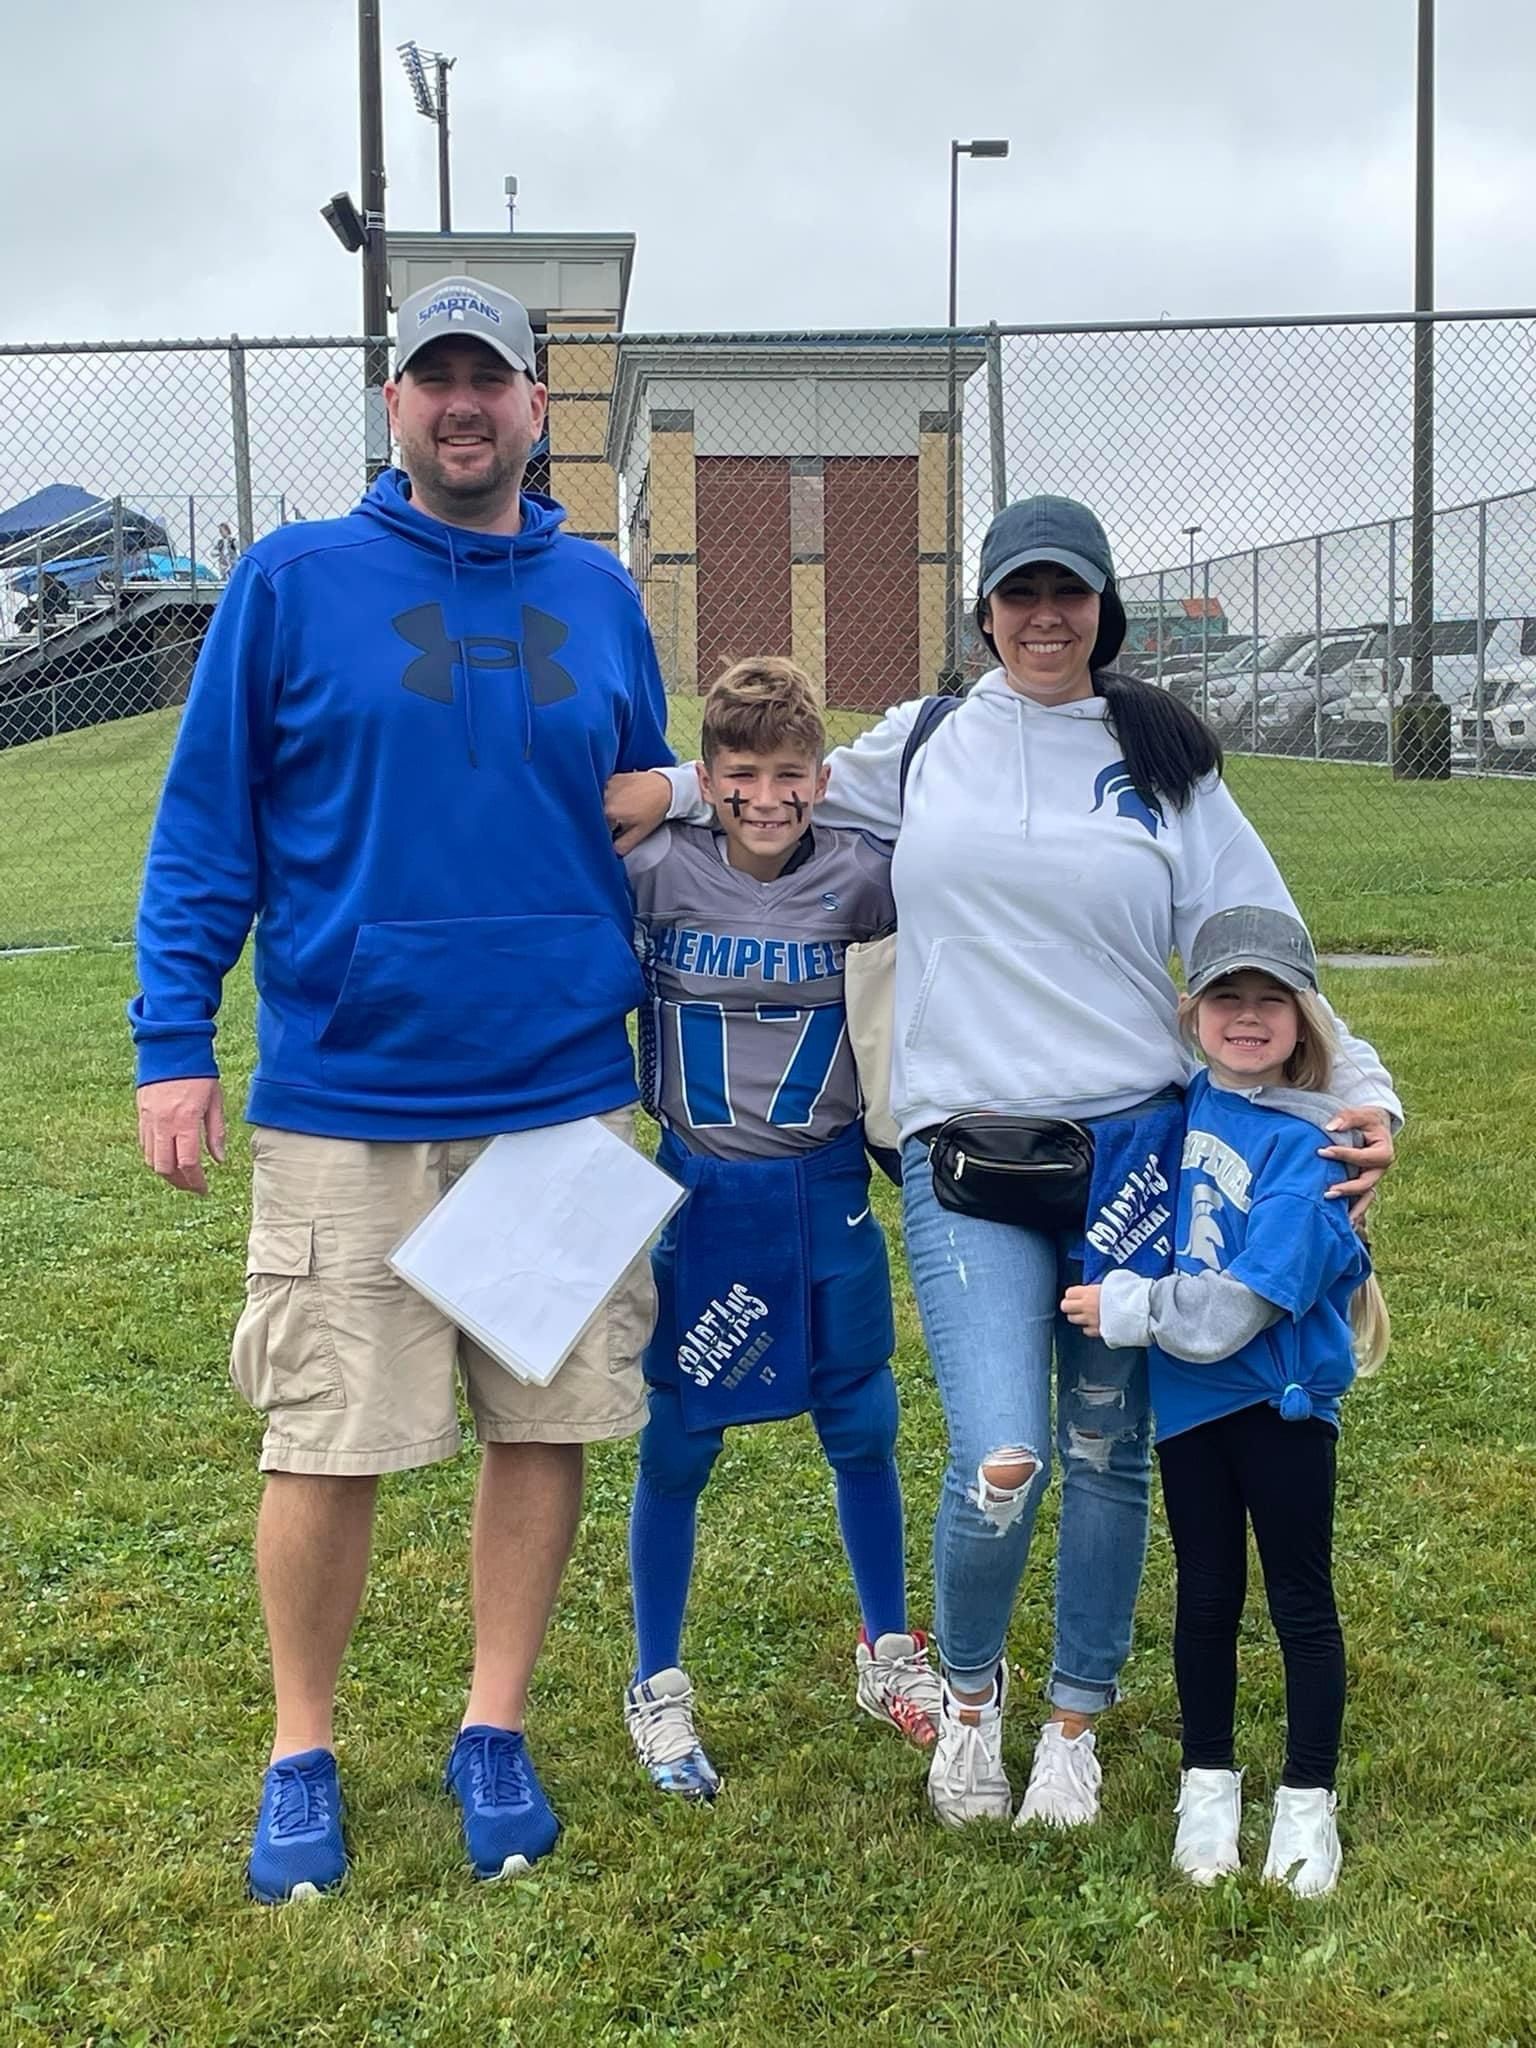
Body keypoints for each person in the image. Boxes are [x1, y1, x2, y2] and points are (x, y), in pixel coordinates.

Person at [604, 496, 1399, 1832]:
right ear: (982, 611)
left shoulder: (1166, 763)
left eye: (1070, 595)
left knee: (1105, 1454)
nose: (1046, 618)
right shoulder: (925, 746)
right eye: (1021, 595)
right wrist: (671, 788)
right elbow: (779, 780)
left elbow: (1265, 942)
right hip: (964, 1151)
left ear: (1103, 610)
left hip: (1135, 1155)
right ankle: (971, 1703)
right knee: (1002, 1455)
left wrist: (1357, 1090)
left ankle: (1073, 1723)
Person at [130, 274, 672, 1903]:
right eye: (432, 379)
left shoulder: (600, 593)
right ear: (394, 408)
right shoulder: (295, 581)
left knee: (545, 1416)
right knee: (329, 1438)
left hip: (561, 1088)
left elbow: (637, 805)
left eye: (488, 378)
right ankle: (303, 1748)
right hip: (350, 1093)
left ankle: (490, 1724)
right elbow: (206, 825)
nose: (461, 405)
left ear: (534, 404)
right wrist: (174, 1043)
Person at [621, 657, 939, 1799]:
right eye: (741, 774)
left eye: (790, 771)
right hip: (701, 1188)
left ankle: (888, 1646)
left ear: (822, 776)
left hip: (826, 1183)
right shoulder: (656, 868)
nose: (768, 795)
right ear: (707, 779)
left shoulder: (868, 874)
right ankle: (656, 1676)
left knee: (861, 1416)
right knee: (680, 1437)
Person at [1063, 905, 1390, 1896]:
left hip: (1279, 1403)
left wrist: (1128, 1304)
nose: (1247, 1017)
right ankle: (1207, 1788)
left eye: (1270, 1000)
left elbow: (1239, 1304)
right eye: (1225, 997)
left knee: (1299, 1597)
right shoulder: (1177, 1109)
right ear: (1193, 1010)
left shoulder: (1316, 1144)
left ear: (1302, 1018)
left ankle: (1306, 1802)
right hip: (1192, 1403)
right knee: (1205, 1594)